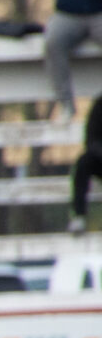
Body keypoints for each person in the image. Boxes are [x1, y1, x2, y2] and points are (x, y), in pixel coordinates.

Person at [70, 94, 102, 234]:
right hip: (99, 158)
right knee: (83, 163)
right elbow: (91, 139)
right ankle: (79, 216)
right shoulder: (100, 105)